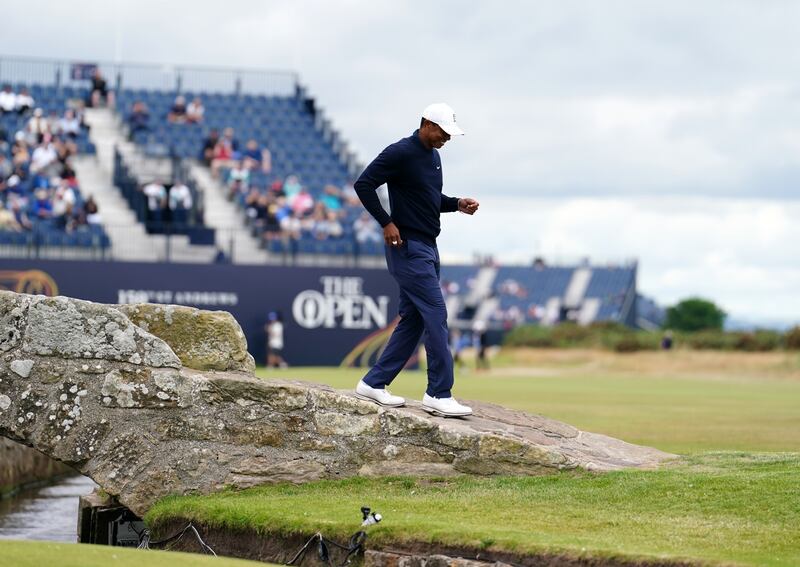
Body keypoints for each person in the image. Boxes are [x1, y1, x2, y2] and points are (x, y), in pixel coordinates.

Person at [353, 103, 479, 417]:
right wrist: (386, 222)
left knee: (415, 319)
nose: (446, 139)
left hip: (428, 246)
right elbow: (364, 184)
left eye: (450, 134)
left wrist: (456, 204)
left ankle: (374, 382)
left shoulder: (433, 157)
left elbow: (428, 199)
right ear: (425, 124)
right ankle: (438, 392)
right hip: (407, 247)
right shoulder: (400, 152)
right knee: (436, 314)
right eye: (443, 132)